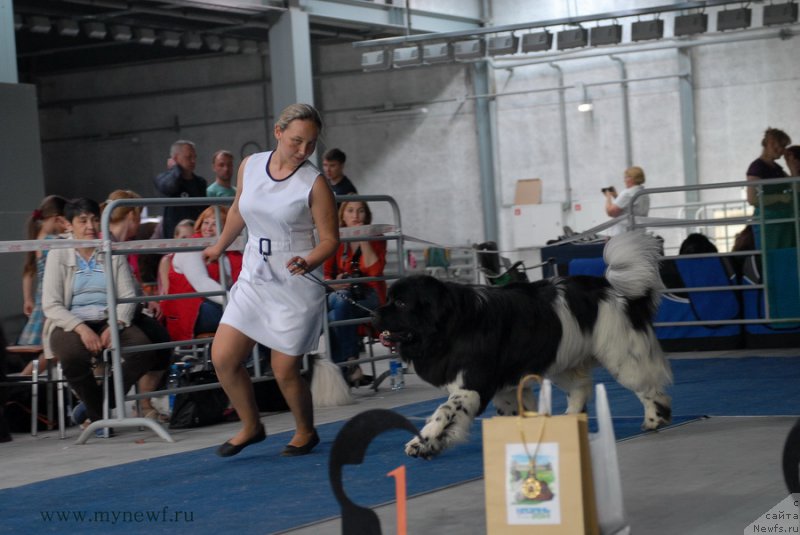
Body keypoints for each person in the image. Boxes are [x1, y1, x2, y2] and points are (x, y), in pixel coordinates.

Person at [202, 103, 338, 458]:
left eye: (310, 144)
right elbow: (237, 210)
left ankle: (306, 431)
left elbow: (330, 241)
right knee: (223, 357)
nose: (303, 151)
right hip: (254, 274)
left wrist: (308, 259)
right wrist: (219, 245)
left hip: (296, 280)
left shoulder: (315, 183)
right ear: (278, 133)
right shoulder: (250, 166)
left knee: (284, 368)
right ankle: (252, 426)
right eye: (296, 141)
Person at [42, 198, 163, 425]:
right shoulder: (58, 253)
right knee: (71, 356)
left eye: (95, 220)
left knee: (143, 350)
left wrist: (115, 323)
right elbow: (51, 304)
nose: (91, 226)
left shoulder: (109, 248)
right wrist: (81, 329)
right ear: (68, 225)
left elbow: (128, 295)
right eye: (83, 221)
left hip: (109, 318)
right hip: (71, 323)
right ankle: (99, 416)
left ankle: (94, 407)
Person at [101, 190, 172, 423]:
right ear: (132, 215)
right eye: (139, 215)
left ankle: (142, 403)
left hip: (128, 305)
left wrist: (145, 298)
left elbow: (129, 281)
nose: (141, 222)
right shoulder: (107, 240)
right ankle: (102, 401)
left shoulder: (119, 242)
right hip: (109, 309)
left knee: (161, 340)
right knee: (149, 345)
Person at [323, 198, 386, 386]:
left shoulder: (376, 237)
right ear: (342, 215)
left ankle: (343, 368)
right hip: (340, 292)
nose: (356, 216)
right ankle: (351, 365)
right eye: (350, 211)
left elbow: (374, 271)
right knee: (339, 302)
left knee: (334, 314)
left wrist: (362, 237)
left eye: (360, 211)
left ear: (367, 215)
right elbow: (326, 274)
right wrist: (335, 283)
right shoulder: (335, 238)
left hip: (369, 295)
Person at [162, 207, 242, 342]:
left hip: (214, 303)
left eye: (215, 224)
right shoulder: (190, 248)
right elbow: (203, 284)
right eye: (206, 222)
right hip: (189, 312)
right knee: (249, 317)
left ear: (227, 229)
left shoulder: (230, 252)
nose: (208, 228)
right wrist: (239, 302)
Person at [17, 195, 68, 375]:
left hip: (42, 300)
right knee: (53, 352)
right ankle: (23, 380)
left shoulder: (38, 238)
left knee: (53, 352)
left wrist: (28, 298)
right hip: (52, 300)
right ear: (57, 218)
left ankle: (24, 380)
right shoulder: (54, 241)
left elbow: (28, 270)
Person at [746, 127, 792, 249]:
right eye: (777, 145)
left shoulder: (777, 168)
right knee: (772, 259)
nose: (780, 150)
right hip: (768, 222)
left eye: (783, 146)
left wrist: (791, 165)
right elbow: (752, 199)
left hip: (783, 220)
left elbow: (794, 186)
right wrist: (780, 197)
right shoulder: (757, 167)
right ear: (767, 144)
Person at [153, 140, 207, 241]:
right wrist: (175, 168)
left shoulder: (200, 182)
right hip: (173, 237)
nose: (193, 161)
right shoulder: (162, 179)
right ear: (175, 158)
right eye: (188, 157)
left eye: (194, 157)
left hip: (196, 236)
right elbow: (170, 187)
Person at [603, 166, 650, 236]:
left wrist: (608, 197)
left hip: (624, 234)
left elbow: (611, 212)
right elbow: (627, 208)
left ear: (631, 179)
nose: (624, 180)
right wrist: (616, 196)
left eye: (626, 177)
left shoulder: (628, 193)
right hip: (639, 232)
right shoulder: (643, 193)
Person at [158, 219, 195, 296]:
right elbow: (168, 290)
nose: (187, 242)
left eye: (191, 238)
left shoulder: (198, 258)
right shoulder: (167, 260)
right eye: (183, 238)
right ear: (176, 237)